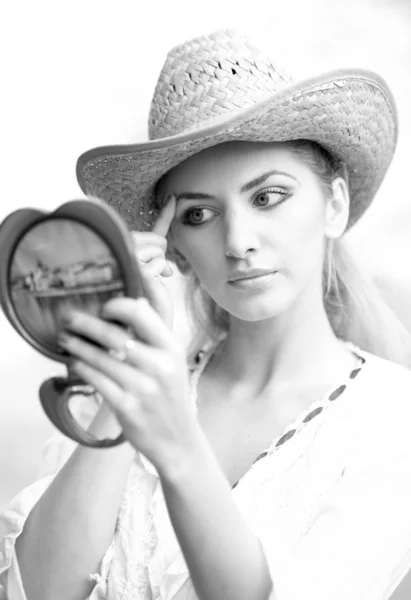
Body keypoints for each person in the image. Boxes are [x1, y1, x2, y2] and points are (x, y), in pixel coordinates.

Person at [1, 28, 411, 600]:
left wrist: (174, 441)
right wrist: (127, 389)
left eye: (268, 197)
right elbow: (37, 591)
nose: (238, 240)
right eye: (198, 215)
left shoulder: (394, 422)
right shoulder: (125, 383)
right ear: (174, 247)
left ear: (334, 205)